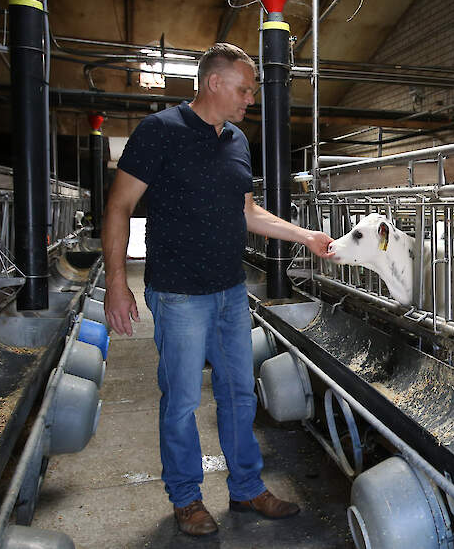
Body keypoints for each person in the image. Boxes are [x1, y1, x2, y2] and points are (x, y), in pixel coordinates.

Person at [102, 43, 333, 537]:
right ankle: (186, 499)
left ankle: (247, 488)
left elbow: (248, 213)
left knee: (238, 395)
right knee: (182, 401)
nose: (250, 97)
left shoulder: (235, 141)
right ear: (213, 83)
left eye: (252, 90)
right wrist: (116, 284)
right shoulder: (159, 131)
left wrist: (305, 235)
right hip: (179, 294)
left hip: (230, 292)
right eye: (244, 88)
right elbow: (118, 208)